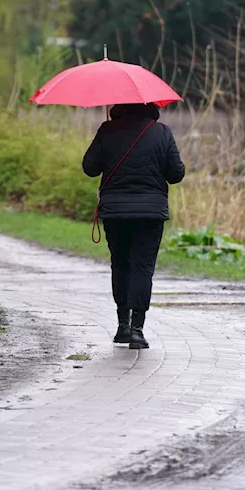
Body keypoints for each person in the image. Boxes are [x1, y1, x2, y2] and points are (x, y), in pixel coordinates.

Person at [82, 102, 185, 350]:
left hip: (115, 213)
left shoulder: (108, 129)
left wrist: (108, 141)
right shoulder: (162, 132)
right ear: (150, 105)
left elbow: (89, 168)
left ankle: (122, 327)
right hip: (151, 214)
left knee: (121, 264)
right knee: (142, 267)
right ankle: (137, 330)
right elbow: (176, 174)